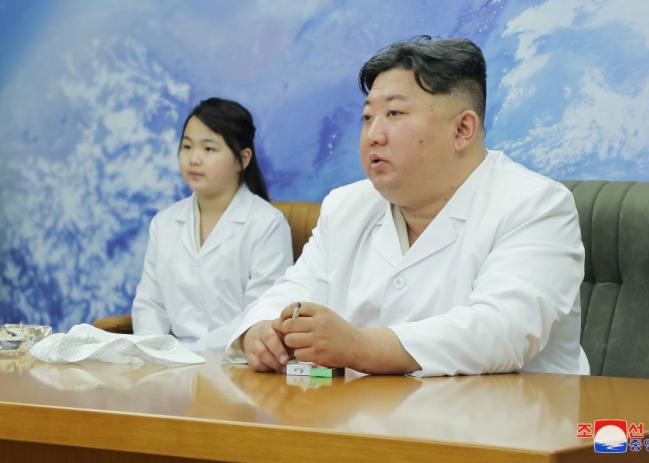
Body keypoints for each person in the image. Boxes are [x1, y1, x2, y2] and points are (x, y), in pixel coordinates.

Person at [227, 37, 589, 376]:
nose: (373, 135)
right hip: (364, 415)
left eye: (395, 114)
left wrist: (359, 347)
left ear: (463, 129)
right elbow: (293, 292)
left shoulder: (535, 204)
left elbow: (502, 331)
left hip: (510, 416)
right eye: (367, 117)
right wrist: (260, 331)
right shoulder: (346, 205)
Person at [132, 97, 293, 351]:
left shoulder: (267, 224)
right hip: (170, 363)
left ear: (243, 159)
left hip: (237, 362)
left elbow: (261, 313)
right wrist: (156, 352)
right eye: (187, 146)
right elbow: (149, 305)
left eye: (209, 149)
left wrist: (196, 353)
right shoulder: (164, 223)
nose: (194, 159)